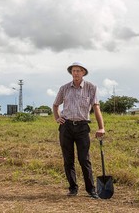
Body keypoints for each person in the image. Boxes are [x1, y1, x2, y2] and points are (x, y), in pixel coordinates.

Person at [53, 62, 105, 199]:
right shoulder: (64, 88)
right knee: (68, 159)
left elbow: (96, 108)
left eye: (78, 71)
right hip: (66, 127)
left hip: (82, 127)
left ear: (83, 73)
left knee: (84, 159)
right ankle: (73, 188)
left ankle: (91, 190)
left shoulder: (91, 87)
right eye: (73, 71)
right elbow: (55, 105)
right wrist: (57, 118)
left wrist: (101, 127)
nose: (75, 73)